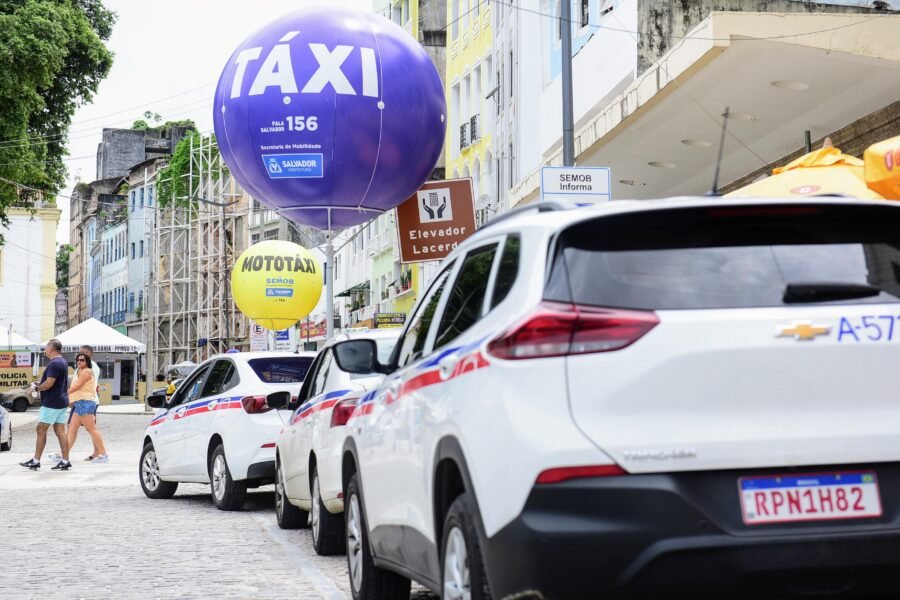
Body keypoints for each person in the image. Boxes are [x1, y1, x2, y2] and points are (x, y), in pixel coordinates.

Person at [19, 339, 71, 471]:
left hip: (52, 403)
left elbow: (49, 384)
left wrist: (36, 388)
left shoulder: (54, 363)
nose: (45, 350)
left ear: (52, 349)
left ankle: (36, 461)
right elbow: (53, 381)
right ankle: (65, 461)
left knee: (41, 429)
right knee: (60, 432)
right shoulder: (62, 362)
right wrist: (38, 383)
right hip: (61, 401)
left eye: (46, 347)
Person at [66, 353, 108, 463]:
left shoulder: (86, 371)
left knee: (91, 429)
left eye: (82, 360)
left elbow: (78, 386)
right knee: (72, 428)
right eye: (77, 360)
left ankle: (103, 454)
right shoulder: (80, 371)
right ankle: (63, 453)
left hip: (86, 403)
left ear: (87, 361)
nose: (79, 362)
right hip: (79, 403)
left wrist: (65, 393)